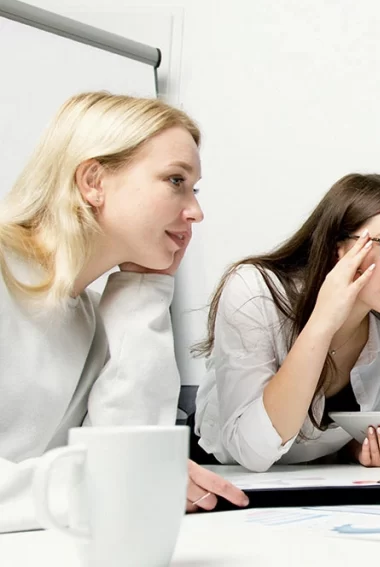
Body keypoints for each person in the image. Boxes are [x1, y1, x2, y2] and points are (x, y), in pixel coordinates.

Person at [0, 92, 247, 534]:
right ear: (93, 180)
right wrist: (116, 485)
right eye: (176, 181)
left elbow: (130, 454)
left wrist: (144, 287)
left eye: (194, 189)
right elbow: (126, 482)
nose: (195, 211)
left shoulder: (92, 314)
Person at [192, 173, 380, 472]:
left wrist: (357, 447)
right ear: (339, 246)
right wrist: (322, 323)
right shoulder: (255, 291)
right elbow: (253, 451)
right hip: (227, 478)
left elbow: (320, 437)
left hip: (317, 482)